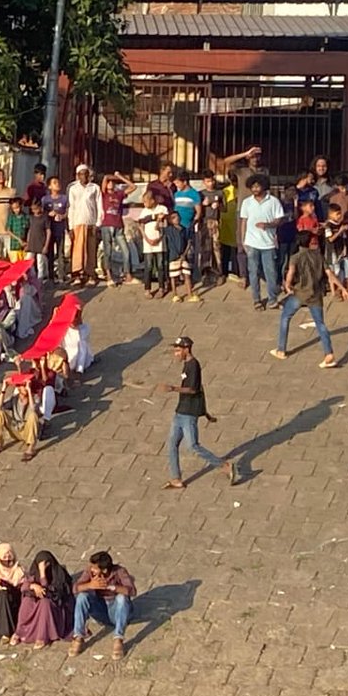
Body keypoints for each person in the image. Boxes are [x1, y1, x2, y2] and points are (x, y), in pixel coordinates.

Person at [159, 336, 233, 489]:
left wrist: (173, 388)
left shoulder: (194, 366)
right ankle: (176, 479)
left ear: (187, 349)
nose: (176, 353)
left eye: (178, 350)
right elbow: (201, 390)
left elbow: (193, 389)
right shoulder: (186, 365)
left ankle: (224, 465)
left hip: (188, 414)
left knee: (193, 446)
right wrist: (206, 413)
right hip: (180, 411)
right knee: (172, 444)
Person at [271, 228, 348, 368]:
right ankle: (328, 353)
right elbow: (329, 274)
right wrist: (342, 288)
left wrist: (287, 286)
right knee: (320, 324)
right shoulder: (318, 255)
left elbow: (291, 272)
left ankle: (281, 349)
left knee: (285, 317)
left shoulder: (295, 257)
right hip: (315, 294)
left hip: (300, 293)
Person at [70, 551, 136, 660]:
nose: (92, 570)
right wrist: (89, 585)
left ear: (104, 570)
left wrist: (111, 587)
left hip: (117, 611)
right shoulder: (90, 571)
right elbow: (74, 588)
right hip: (100, 609)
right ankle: (78, 637)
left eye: (95, 568)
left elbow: (132, 591)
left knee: (121, 598)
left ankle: (118, 639)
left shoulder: (120, 571)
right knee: (82, 597)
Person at [239, 174, 284, 310]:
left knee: (270, 272)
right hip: (251, 243)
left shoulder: (274, 201)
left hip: (268, 243)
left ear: (264, 186)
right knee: (253, 272)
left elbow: (279, 220)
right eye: (253, 186)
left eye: (257, 186)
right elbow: (244, 222)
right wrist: (243, 241)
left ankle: (272, 299)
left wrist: (268, 225)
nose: (255, 189)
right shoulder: (247, 202)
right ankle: (256, 299)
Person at [15, 549, 74, 649]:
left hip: (56, 604)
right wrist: (33, 586)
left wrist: (43, 574)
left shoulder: (59, 574)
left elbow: (56, 592)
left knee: (45, 603)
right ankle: (20, 632)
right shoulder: (33, 572)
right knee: (26, 601)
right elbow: (24, 587)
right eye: (40, 564)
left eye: (46, 563)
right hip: (37, 599)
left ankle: (42, 636)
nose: (43, 566)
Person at [0, 377, 39, 461]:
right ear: (18, 388)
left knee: (33, 415)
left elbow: (33, 409)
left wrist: (29, 390)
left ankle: (31, 447)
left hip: (28, 431)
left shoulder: (34, 398)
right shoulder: (14, 398)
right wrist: (3, 389)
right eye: (23, 386)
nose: (25, 388)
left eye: (26, 386)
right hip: (15, 429)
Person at [66, 165, 102, 285]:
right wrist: (70, 227)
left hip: (91, 222)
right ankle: (77, 275)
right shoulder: (73, 189)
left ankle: (91, 275)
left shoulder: (95, 188)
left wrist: (98, 223)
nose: (84, 176)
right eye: (81, 174)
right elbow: (71, 208)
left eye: (86, 173)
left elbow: (99, 206)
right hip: (77, 222)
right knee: (77, 250)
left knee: (90, 250)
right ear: (78, 175)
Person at [99, 173, 135, 285]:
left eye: (112, 182)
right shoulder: (103, 194)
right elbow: (105, 178)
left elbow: (133, 187)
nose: (110, 183)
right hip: (106, 225)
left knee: (126, 250)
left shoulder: (119, 194)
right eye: (109, 182)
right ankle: (109, 276)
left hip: (118, 225)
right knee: (108, 251)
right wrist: (111, 176)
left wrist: (120, 177)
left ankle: (127, 274)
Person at [138, 190, 169, 298]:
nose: (145, 204)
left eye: (146, 202)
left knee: (160, 265)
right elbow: (141, 225)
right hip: (148, 242)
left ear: (152, 200)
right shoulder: (144, 211)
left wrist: (159, 238)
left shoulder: (162, 209)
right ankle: (147, 289)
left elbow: (164, 225)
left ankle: (162, 287)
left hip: (160, 242)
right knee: (148, 265)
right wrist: (146, 239)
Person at [163, 212, 199, 303]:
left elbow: (188, 242)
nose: (177, 219)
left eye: (178, 217)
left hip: (183, 255)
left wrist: (184, 254)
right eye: (174, 218)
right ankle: (175, 294)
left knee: (187, 274)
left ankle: (190, 294)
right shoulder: (169, 230)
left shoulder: (184, 229)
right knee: (174, 276)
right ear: (170, 220)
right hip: (173, 256)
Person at [198, 173, 224, 285]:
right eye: (208, 181)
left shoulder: (219, 193)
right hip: (204, 222)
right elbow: (196, 209)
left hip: (215, 222)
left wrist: (218, 205)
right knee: (205, 247)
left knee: (216, 247)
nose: (211, 183)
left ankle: (219, 272)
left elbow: (224, 208)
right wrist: (203, 205)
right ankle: (205, 272)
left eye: (212, 181)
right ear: (204, 182)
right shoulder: (201, 194)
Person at [41, 177, 69, 282]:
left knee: (60, 253)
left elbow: (67, 212)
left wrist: (62, 216)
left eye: (58, 182)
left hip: (60, 228)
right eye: (54, 183)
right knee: (50, 253)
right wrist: (48, 214)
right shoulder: (45, 199)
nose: (57, 184)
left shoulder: (64, 198)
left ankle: (61, 275)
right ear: (49, 186)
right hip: (49, 229)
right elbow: (41, 213)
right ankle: (51, 276)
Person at [26, 198, 50, 281]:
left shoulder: (45, 218)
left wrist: (46, 245)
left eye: (36, 208)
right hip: (32, 242)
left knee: (40, 261)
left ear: (40, 207)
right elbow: (29, 231)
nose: (35, 211)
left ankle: (41, 278)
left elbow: (48, 231)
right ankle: (31, 277)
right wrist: (28, 242)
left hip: (41, 242)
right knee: (28, 261)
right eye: (33, 209)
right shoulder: (31, 218)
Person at [4, 198, 29, 264]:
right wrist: (18, 239)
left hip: (24, 245)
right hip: (14, 245)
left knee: (24, 263)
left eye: (17, 207)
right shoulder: (11, 217)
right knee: (15, 263)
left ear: (21, 206)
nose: (16, 210)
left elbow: (29, 230)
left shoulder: (26, 217)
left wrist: (26, 242)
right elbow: (8, 230)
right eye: (14, 208)